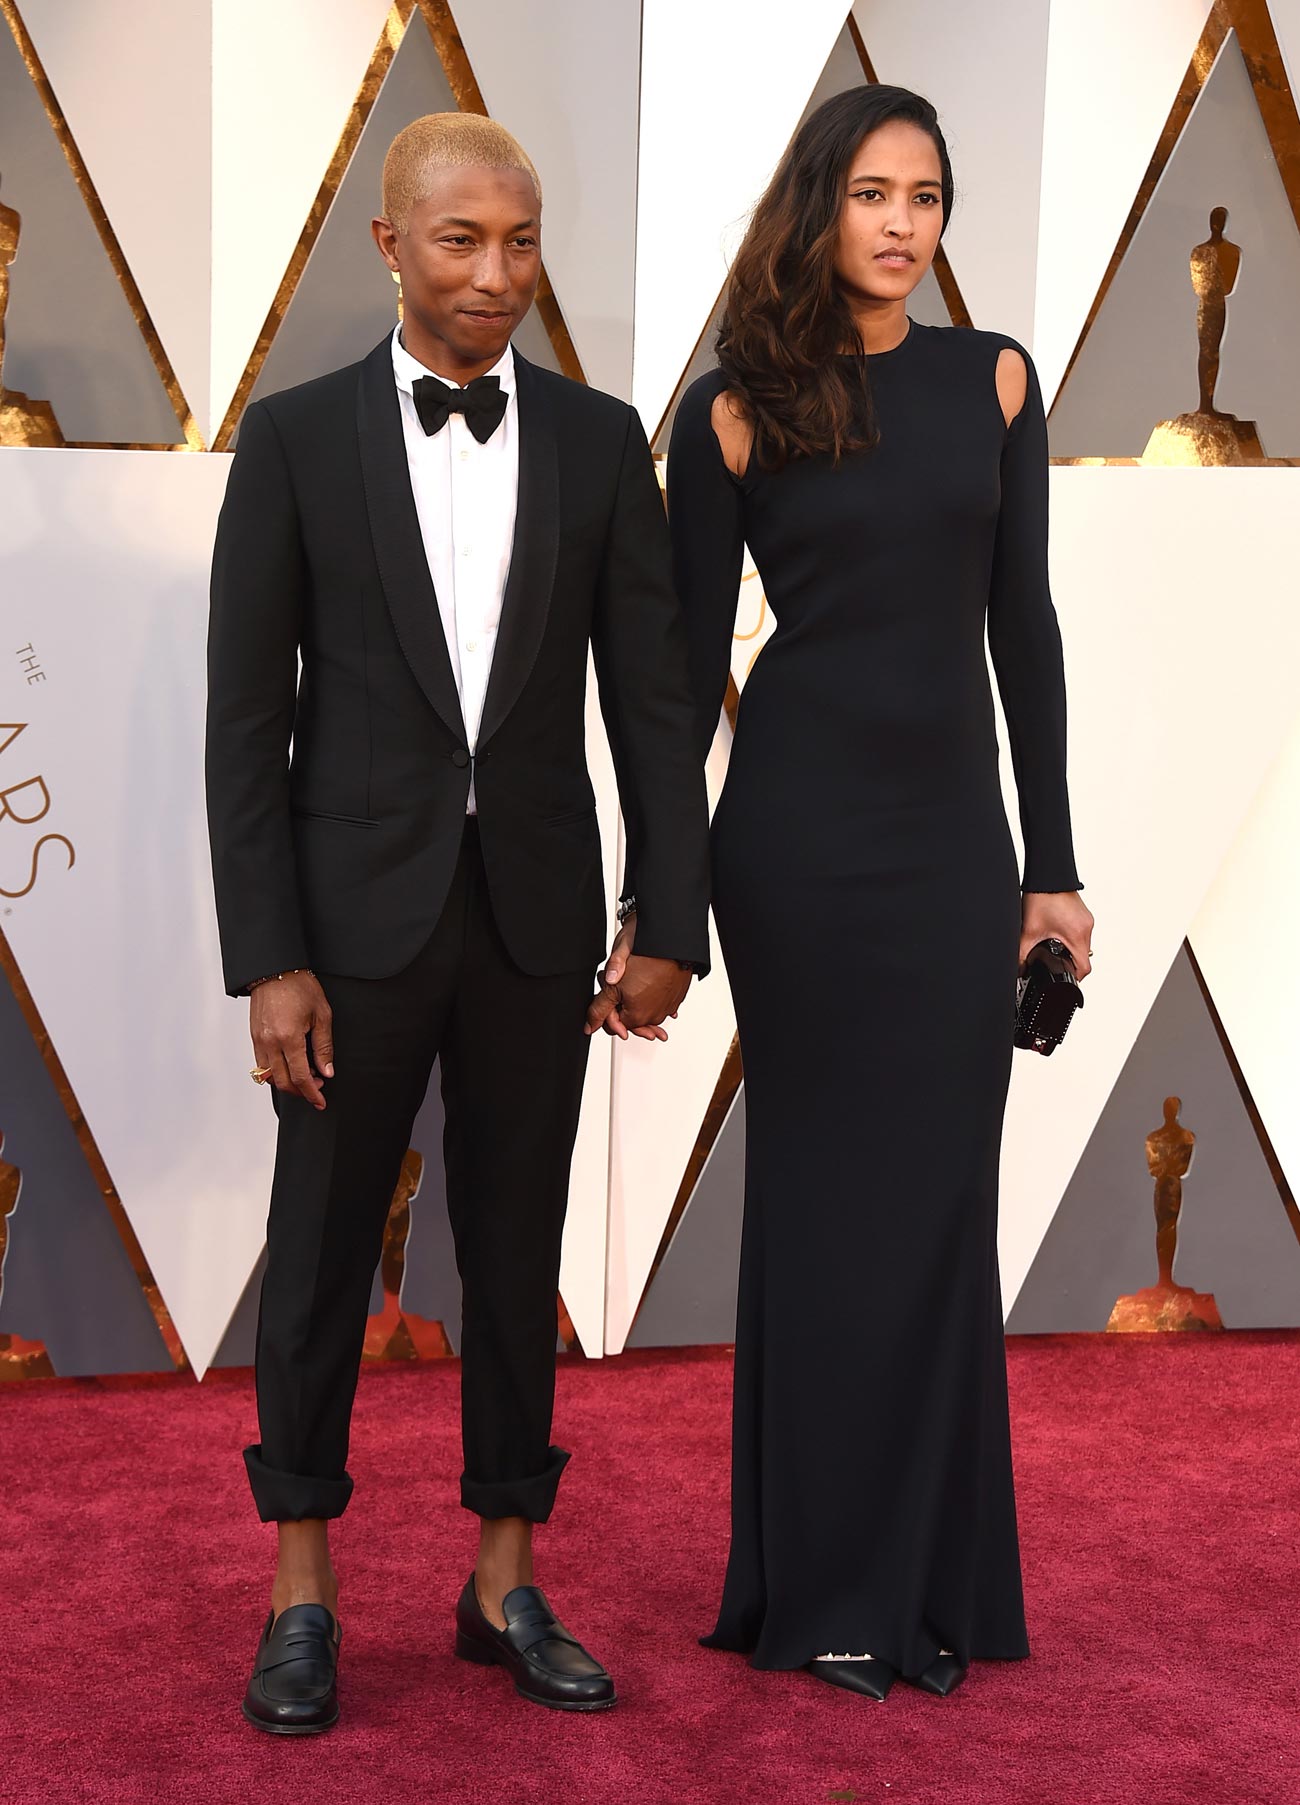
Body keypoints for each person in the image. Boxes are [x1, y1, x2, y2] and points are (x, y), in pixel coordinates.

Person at [206, 112, 710, 1733]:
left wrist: (667, 913)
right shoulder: (290, 442)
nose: (496, 275)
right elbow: (243, 725)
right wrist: (266, 953)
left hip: (536, 917)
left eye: (521, 241)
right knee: (319, 1250)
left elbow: (652, 701)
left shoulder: (596, 438)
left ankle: (504, 1573)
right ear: (389, 245)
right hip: (348, 927)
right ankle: (302, 1584)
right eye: (459, 242)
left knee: (513, 1243)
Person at [666, 85, 1094, 1701]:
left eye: (926, 193)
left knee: (933, 1212)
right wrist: (669, 897)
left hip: (949, 849)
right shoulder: (734, 409)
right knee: (826, 1210)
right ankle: (829, 1592)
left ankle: (933, 1579)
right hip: (792, 845)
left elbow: (1025, 637)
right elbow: (671, 677)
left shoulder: (993, 382)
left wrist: (1052, 867)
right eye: (871, 192)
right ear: (818, 209)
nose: (904, 221)